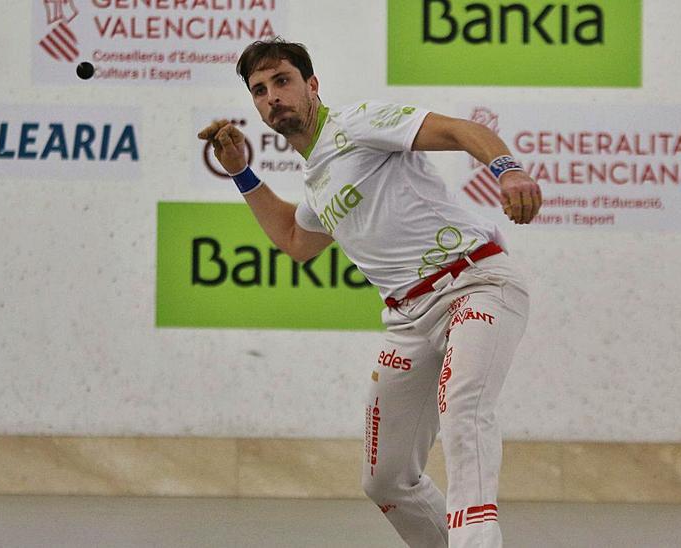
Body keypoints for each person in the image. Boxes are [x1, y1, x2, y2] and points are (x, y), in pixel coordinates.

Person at [197, 38, 541, 548]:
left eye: (283, 81)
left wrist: (507, 170)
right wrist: (242, 173)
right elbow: (295, 240)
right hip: (409, 321)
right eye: (260, 90)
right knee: (386, 481)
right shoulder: (316, 183)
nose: (273, 96)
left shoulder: (358, 123)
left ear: (312, 85)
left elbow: (461, 130)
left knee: (463, 411)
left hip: (476, 284)